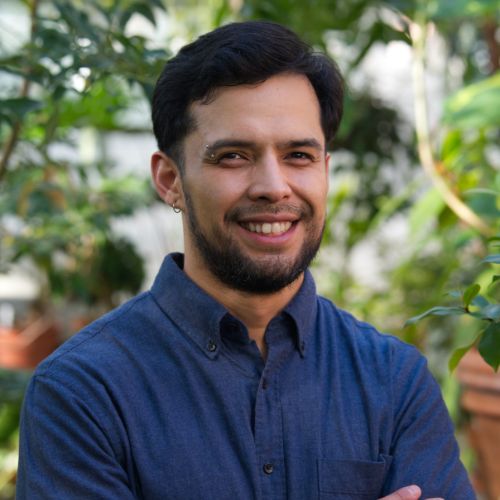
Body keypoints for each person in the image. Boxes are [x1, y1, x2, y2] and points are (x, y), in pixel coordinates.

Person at [17, 21, 475, 500]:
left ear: (325, 170)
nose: (274, 187)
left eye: (298, 155)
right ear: (170, 180)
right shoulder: (83, 392)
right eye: (234, 156)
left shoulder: (394, 382)